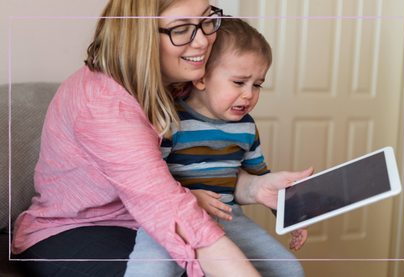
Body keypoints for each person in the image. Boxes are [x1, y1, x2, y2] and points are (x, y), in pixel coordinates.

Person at [11, 0, 313, 276]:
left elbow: (204, 171)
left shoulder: (182, 89)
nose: (204, 41)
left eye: (207, 20)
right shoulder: (103, 102)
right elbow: (165, 203)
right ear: (139, 33)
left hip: (139, 221)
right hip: (76, 229)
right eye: (181, 29)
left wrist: (257, 186)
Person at [124, 17, 309, 277]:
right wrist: (190, 197)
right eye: (239, 82)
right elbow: (150, 179)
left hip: (229, 218)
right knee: (151, 271)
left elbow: (260, 179)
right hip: (173, 218)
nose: (249, 94)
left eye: (257, 85)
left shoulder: (246, 127)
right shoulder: (170, 120)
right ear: (201, 78)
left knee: (290, 270)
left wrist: (288, 213)